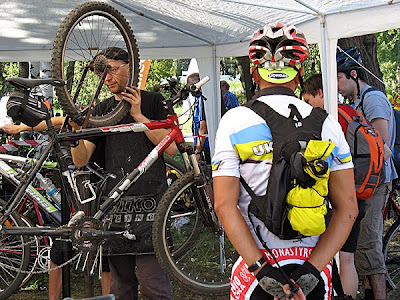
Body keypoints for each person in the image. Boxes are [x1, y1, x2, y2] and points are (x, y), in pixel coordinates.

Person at [212, 22, 358, 300]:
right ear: (301, 72)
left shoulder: (234, 121)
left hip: (259, 270)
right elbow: (348, 208)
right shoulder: (327, 122)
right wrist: (312, 270)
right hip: (313, 266)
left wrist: (262, 270)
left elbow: (223, 205)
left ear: (254, 72)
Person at [69, 47, 176, 300]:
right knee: (122, 287)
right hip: (115, 207)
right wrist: (74, 132)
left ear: (131, 67)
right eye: (103, 73)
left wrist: (139, 116)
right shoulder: (103, 109)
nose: (107, 78)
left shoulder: (154, 101)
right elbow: (81, 160)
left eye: (113, 70)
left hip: (153, 205)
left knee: (153, 284)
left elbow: (170, 147)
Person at [336, 46, 397, 300]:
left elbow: (382, 147)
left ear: (352, 74)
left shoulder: (373, 99)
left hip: (377, 181)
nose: (336, 85)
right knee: (362, 245)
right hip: (365, 182)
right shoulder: (356, 102)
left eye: (339, 78)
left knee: (370, 244)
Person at [303, 73, 366, 300]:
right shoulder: (353, 112)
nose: (306, 107)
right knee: (348, 257)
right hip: (362, 191)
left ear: (320, 93)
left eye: (308, 101)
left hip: (341, 200)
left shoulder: (328, 120)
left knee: (339, 258)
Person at [187, 72, 211, 164]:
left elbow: (203, 128)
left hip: (206, 146)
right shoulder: (199, 99)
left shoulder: (202, 100)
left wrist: (197, 151)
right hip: (202, 144)